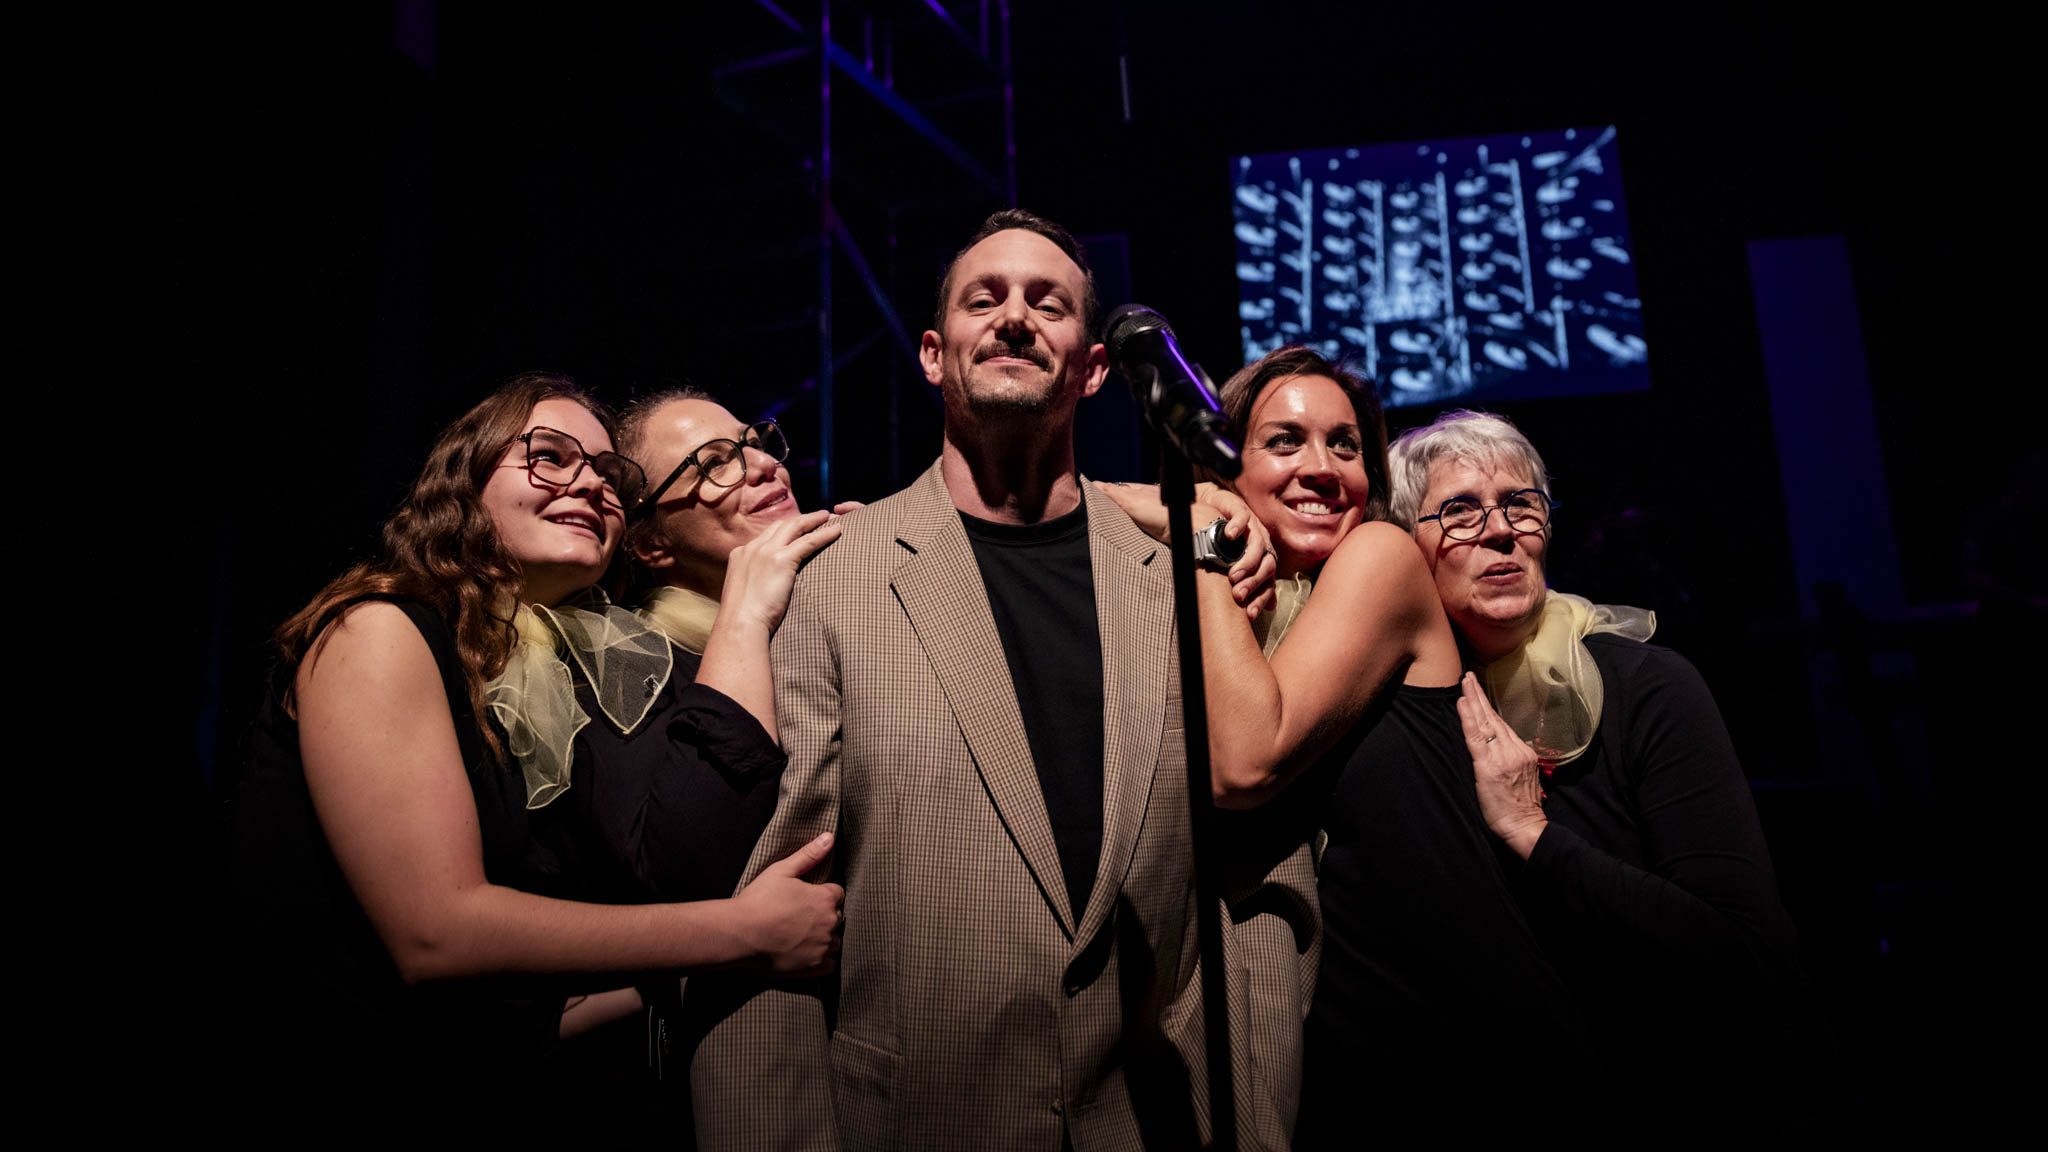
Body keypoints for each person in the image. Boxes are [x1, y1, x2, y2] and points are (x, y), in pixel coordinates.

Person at [689, 210, 1275, 1151]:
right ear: (933, 355)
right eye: (984, 299)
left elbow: (1248, 877)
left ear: (1093, 368)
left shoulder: (1182, 579)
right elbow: (772, 917)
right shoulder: (833, 580)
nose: (1013, 318)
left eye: (1048, 303)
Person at [231, 373, 843, 1097]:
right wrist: (744, 934)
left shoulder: (563, 671)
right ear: (465, 485)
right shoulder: (377, 629)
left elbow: (537, 1010)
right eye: (550, 456)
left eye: (608, 473)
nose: (589, 484)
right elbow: (437, 936)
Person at [1104, 347, 1581, 1137]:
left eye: (1346, 445)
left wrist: (1205, 533)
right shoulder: (1224, 603)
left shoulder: (1381, 556)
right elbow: (1079, 507)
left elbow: (1245, 761)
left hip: (1470, 1043)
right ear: (1225, 461)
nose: (1323, 469)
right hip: (1344, 1051)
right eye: (1284, 441)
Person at [1387, 408, 1798, 1109]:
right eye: (1459, 511)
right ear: (1404, 550)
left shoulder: (1648, 686)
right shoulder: (1404, 712)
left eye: (1521, 504)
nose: (1500, 530)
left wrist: (1532, 834)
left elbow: (1744, 953)